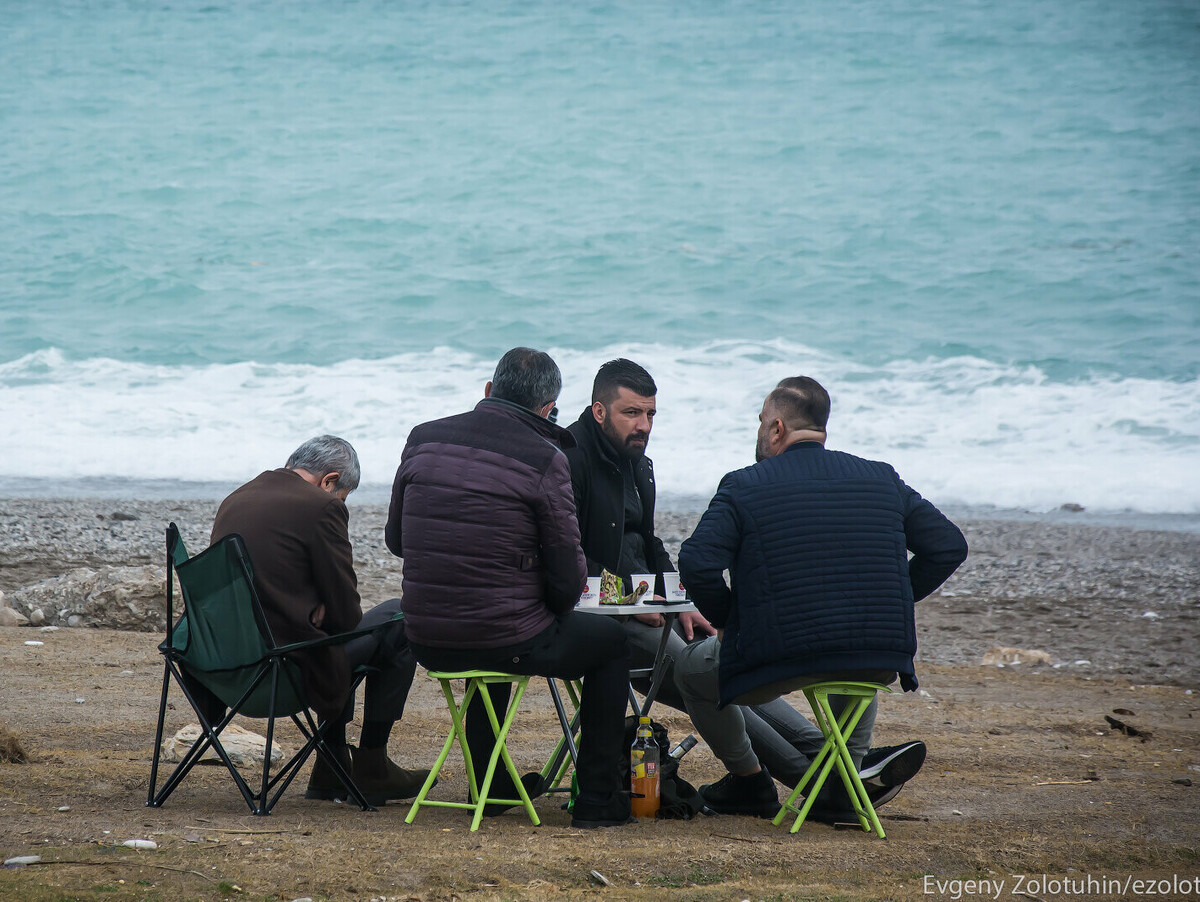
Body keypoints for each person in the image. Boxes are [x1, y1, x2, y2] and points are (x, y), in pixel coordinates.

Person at [677, 377, 968, 820]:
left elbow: (697, 562)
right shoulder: (880, 477)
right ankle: (852, 778)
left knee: (690, 669)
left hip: (778, 652)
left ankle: (758, 782)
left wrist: (729, 620)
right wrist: (892, 601)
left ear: (776, 428)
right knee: (850, 644)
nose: (758, 432)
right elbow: (949, 545)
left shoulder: (744, 485)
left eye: (760, 423)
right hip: (875, 652)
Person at [386, 348, 634, 829]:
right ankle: (598, 801)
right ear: (548, 409)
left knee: (498, 622)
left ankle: (492, 785)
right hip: (502, 637)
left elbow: (396, 541)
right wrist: (551, 599)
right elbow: (568, 578)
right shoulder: (546, 458)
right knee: (610, 645)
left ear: (488, 390)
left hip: (426, 639)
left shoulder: (423, 438)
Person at [206, 435, 430, 806]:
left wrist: (313, 606)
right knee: (399, 618)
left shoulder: (237, 498)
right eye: (342, 495)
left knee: (326, 633)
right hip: (283, 669)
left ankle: (331, 762)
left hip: (224, 667)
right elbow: (346, 615)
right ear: (329, 481)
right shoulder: (320, 507)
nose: (340, 503)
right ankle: (372, 765)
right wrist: (322, 608)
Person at [562, 358, 717, 711]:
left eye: (650, 415)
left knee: (729, 666)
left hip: (649, 606)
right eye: (632, 413)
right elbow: (566, 557)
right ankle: (802, 761)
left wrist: (682, 599)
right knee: (710, 684)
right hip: (604, 616)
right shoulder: (569, 459)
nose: (644, 426)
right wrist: (631, 601)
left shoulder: (635, 460)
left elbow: (649, 542)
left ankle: (821, 756)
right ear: (599, 411)